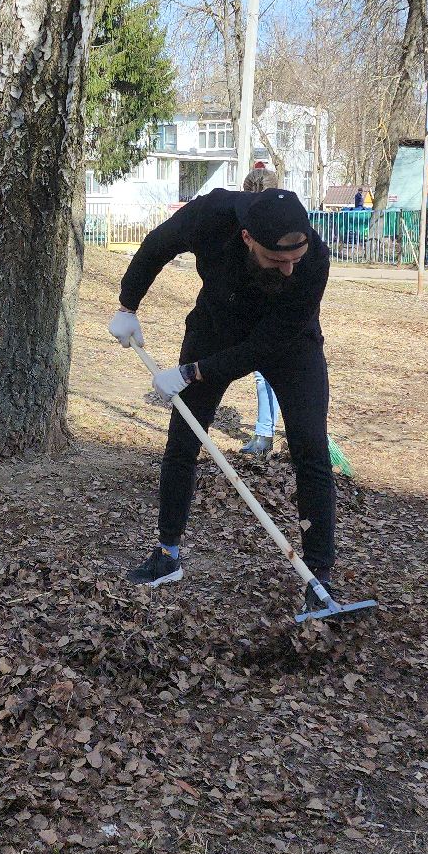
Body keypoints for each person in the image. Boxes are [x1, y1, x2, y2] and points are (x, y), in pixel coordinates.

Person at [106, 188, 343, 611]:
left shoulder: (314, 261)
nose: (289, 270)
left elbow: (265, 346)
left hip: (288, 344)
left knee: (311, 448)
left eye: (296, 259)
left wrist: (191, 372)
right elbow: (158, 245)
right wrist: (128, 304)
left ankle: (319, 576)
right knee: (182, 443)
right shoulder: (210, 216)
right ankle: (167, 555)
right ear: (249, 238)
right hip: (215, 325)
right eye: (277, 260)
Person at [237, 165, 283, 456]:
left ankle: (265, 433)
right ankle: (264, 432)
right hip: (256, 307)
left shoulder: (283, 224)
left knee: (266, 375)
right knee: (262, 374)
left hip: (279, 310)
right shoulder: (246, 224)